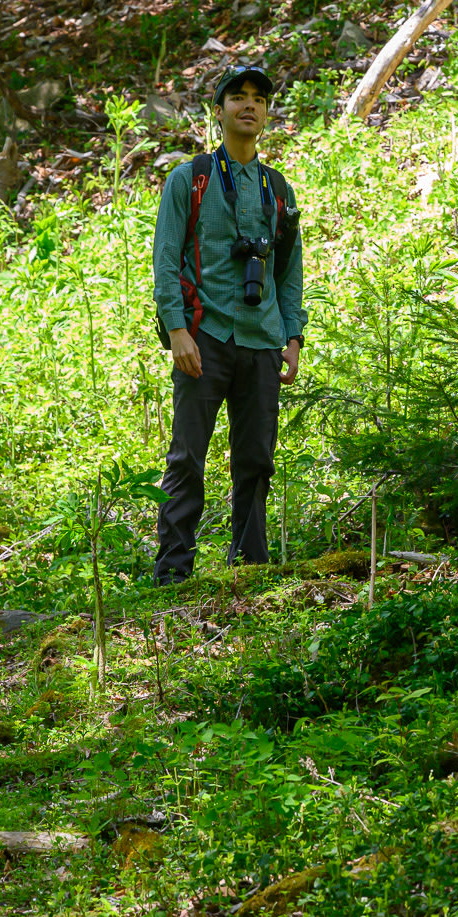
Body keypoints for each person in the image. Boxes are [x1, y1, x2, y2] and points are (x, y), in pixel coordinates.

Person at [150, 64, 306, 584]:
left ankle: (250, 569)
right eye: (237, 97)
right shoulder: (189, 179)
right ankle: (174, 571)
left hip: (261, 342)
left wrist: (293, 337)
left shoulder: (277, 190)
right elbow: (166, 259)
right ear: (218, 112)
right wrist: (176, 331)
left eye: (258, 99)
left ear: (265, 112)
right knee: (187, 457)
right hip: (204, 338)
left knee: (256, 460)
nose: (249, 105)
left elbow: (289, 272)